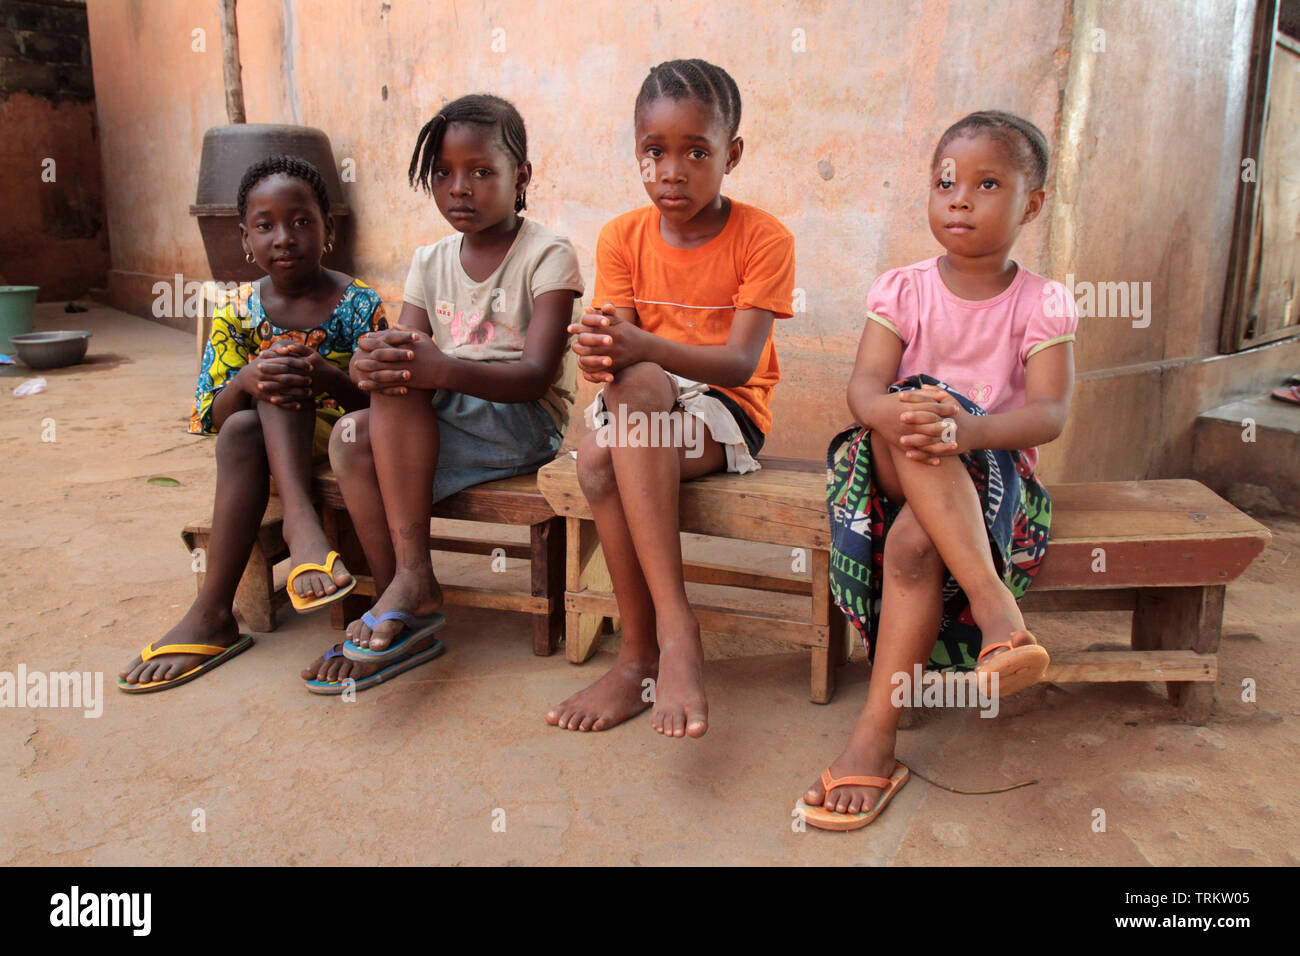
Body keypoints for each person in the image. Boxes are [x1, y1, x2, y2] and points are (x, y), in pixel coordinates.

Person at [796, 111, 1078, 830]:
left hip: (990, 473)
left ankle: (874, 737)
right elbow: (862, 393)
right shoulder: (902, 288)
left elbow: (1047, 415)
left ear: (1032, 203)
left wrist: (967, 429)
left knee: (915, 543)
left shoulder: (1042, 301)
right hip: (885, 461)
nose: (959, 198)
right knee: (907, 402)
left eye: (988, 184)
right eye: (946, 182)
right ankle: (996, 612)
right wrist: (915, 415)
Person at [545, 59, 795, 738]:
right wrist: (599, 350)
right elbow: (614, 360)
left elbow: (742, 360)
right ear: (637, 154)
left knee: (628, 409)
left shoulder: (764, 237)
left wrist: (637, 349)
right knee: (599, 455)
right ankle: (645, 655)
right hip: (643, 409)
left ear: (732, 155)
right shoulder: (622, 237)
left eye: (697, 152)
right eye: (655, 152)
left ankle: (660, 641)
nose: (672, 171)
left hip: (723, 409)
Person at [300, 94, 583, 694]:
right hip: (444, 412)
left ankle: (411, 587)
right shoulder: (429, 260)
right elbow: (407, 350)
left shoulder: (547, 253)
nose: (460, 188)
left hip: (523, 417)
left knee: (406, 382)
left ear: (521, 177)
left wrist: (434, 370)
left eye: (482, 171)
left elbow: (536, 374)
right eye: (444, 173)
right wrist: (371, 361)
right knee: (352, 438)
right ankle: (404, 595)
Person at [119, 155, 387, 693]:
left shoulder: (359, 303)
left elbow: (383, 402)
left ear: (327, 229)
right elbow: (212, 417)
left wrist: (321, 376)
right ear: (245, 238)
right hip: (258, 451)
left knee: (284, 370)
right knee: (253, 405)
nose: (283, 237)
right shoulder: (237, 309)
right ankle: (223, 605)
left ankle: (233, 593)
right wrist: (244, 381)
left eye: (301, 221)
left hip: (348, 444)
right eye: (265, 226)